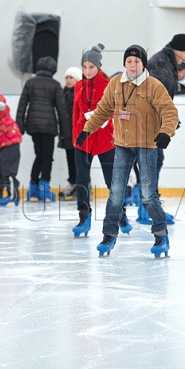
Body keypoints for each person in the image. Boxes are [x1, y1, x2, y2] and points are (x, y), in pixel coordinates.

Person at [76, 45, 179, 258]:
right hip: (122, 145)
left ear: (143, 63)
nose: (133, 65)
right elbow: (104, 109)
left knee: (148, 196)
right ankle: (109, 235)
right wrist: (87, 130)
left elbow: (169, 111)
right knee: (115, 193)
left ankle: (161, 236)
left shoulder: (153, 85)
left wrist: (166, 132)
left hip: (147, 145)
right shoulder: (116, 83)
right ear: (125, 63)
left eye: (137, 61)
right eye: (129, 61)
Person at [71, 44, 131, 237]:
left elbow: (114, 110)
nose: (87, 71)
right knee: (81, 179)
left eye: (91, 67)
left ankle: (120, 214)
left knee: (111, 181)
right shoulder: (79, 86)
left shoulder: (108, 85)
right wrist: (75, 135)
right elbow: (75, 113)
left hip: (105, 138)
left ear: (98, 67)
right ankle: (84, 217)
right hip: (83, 139)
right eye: (84, 67)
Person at [145, 33, 185, 223]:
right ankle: (148, 209)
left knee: (154, 162)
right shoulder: (161, 66)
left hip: (155, 121)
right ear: (177, 50)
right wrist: (167, 120)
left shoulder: (167, 63)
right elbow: (155, 98)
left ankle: (149, 206)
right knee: (152, 163)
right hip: (150, 123)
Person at [16, 56, 68, 202]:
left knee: (39, 155)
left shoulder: (30, 83)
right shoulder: (55, 85)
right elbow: (61, 110)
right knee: (47, 157)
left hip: (32, 124)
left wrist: (19, 126)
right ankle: (44, 188)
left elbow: (22, 106)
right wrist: (65, 132)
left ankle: (32, 188)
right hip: (49, 126)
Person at [58, 66, 81, 201]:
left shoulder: (80, 92)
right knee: (70, 160)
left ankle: (82, 186)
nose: (68, 80)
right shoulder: (63, 94)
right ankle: (73, 184)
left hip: (77, 133)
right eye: (66, 77)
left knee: (80, 161)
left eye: (71, 77)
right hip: (67, 133)